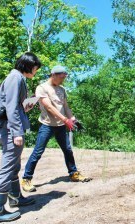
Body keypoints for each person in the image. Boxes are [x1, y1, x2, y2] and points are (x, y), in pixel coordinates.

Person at [0, 52, 41, 223]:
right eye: (35, 68)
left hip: (10, 127)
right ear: (28, 66)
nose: (36, 71)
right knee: (8, 165)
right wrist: (16, 132)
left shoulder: (18, 78)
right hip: (9, 129)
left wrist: (27, 105)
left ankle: (15, 197)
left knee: (14, 164)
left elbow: (16, 107)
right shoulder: (15, 78)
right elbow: (10, 107)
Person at [21, 65, 91, 193]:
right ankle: (26, 179)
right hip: (47, 125)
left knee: (68, 150)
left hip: (60, 126)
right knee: (38, 152)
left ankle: (73, 173)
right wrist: (66, 120)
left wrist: (73, 119)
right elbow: (49, 107)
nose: (62, 81)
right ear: (53, 75)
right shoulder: (42, 88)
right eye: (60, 78)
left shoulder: (62, 89)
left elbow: (65, 107)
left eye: (64, 78)